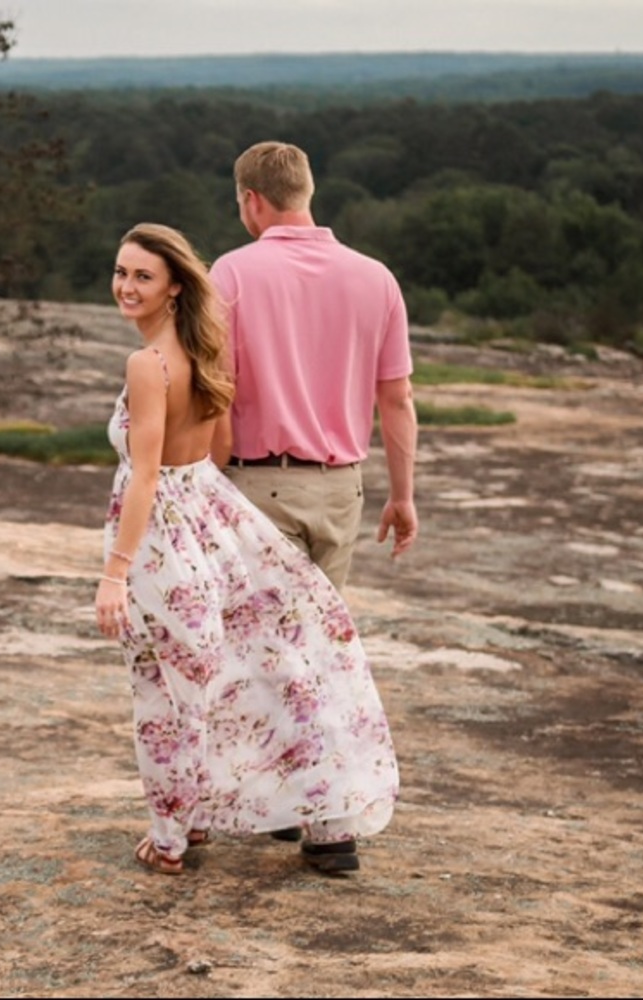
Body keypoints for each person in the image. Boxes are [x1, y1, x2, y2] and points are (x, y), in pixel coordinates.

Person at [95, 222, 399, 877]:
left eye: (142, 275)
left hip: (161, 541)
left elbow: (146, 474)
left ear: (174, 286)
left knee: (165, 690)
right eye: (121, 272)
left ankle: (172, 836)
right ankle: (211, 818)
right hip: (204, 517)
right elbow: (220, 450)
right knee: (222, 674)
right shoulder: (207, 354)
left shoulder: (147, 366)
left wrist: (115, 574)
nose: (126, 285)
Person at [209, 140, 419, 591]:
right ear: (307, 191)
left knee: (260, 645)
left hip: (258, 486)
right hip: (342, 491)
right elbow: (397, 400)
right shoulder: (377, 278)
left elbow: (216, 392)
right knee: (320, 647)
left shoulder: (231, 274)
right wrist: (402, 496)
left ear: (252, 199)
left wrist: (206, 486)